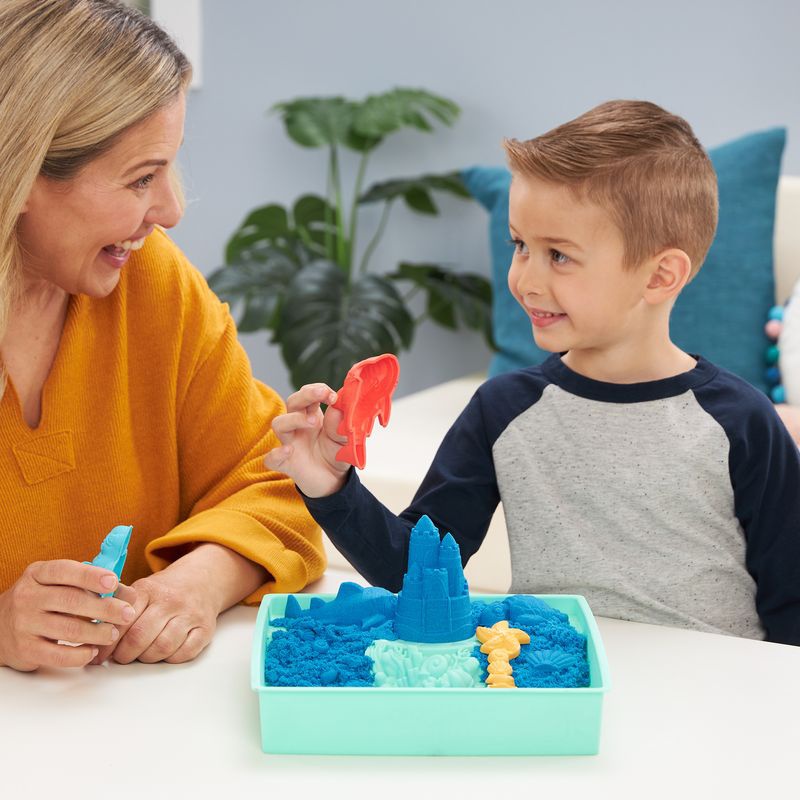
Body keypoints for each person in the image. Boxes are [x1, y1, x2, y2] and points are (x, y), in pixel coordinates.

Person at [267, 100, 800, 646]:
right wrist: (329, 484)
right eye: (520, 245)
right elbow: (415, 572)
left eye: (559, 256)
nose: (525, 279)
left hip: (713, 700)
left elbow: (791, 601)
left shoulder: (741, 422)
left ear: (661, 275)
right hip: (557, 689)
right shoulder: (501, 410)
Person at [0, 0, 325, 673]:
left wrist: (194, 584)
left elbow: (276, 484)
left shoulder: (151, 284)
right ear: (23, 176)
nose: (172, 210)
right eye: (141, 178)